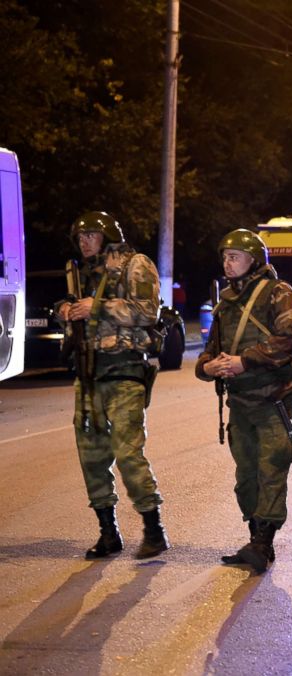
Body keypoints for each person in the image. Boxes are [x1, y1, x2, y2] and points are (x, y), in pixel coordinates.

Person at [56, 211, 169, 560]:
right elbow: (76, 307)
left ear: (107, 236)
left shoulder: (136, 265)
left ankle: (154, 529)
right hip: (89, 374)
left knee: (127, 454)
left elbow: (149, 311)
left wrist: (98, 307)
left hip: (124, 371)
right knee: (91, 456)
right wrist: (65, 309)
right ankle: (108, 532)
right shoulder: (82, 273)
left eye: (90, 235)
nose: (84, 242)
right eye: (80, 237)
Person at [195, 229, 292, 574]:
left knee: (272, 469)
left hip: (273, 399)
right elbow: (209, 351)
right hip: (240, 402)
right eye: (225, 257)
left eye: (235, 257)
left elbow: (289, 340)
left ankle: (263, 542)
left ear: (253, 260)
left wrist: (246, 360)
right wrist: (208, 367)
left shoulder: (278, 293)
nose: (228, 263)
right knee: (247, 475)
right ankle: (255, 537)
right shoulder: (226, 303)